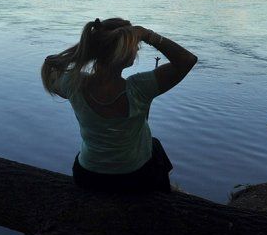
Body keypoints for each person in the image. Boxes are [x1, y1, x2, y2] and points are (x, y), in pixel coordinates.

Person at [41, 18, 197, 193]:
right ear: (122, 52)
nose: (137, 48)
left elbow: (49, 68)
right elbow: (187, 60)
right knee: (155, 148)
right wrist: (148, 35)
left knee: (154, 146)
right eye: (134, 44)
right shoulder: (140, 88)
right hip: (132, 178)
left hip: (88, 176)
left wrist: (82, 51)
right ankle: (164, 193)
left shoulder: (73, 84)